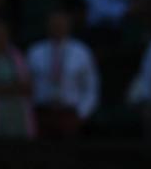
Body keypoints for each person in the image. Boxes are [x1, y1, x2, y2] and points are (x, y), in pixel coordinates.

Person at [26, 8, 100, 138]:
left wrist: (81, 114)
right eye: (54, 24)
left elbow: (91, 88)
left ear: (69, 25)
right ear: (47, 26)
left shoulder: (82, 52)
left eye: (61, 24)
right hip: (42, 112)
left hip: (69, 113)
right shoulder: (35, 52)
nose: (58, 27)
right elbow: (27, 84)